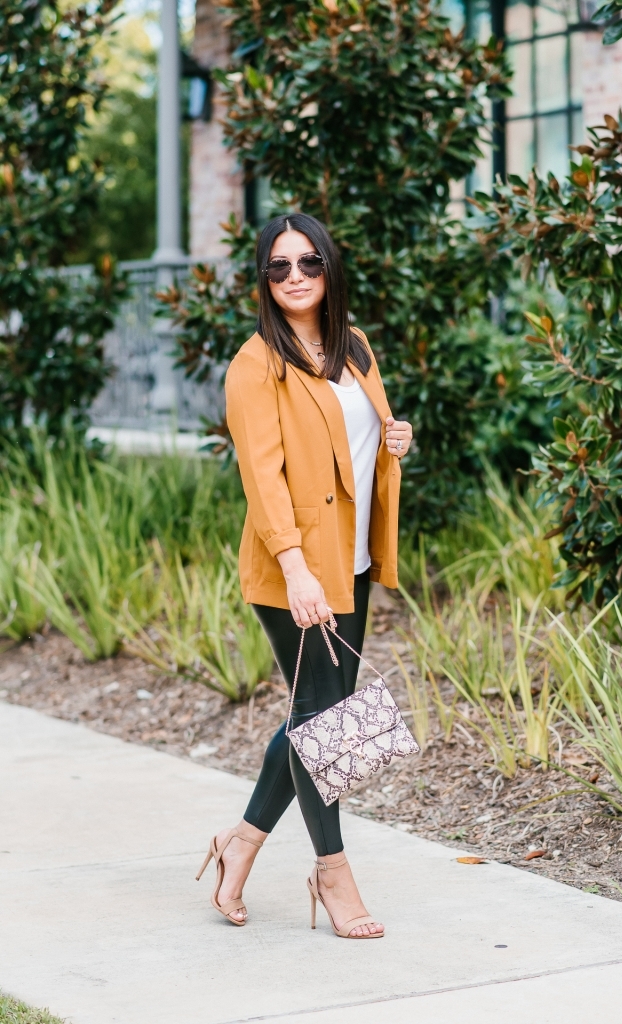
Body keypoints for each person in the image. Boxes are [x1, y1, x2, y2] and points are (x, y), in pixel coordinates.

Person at [196, 213, 412, 939]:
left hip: (350, 558)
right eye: (279, 267)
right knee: (325, 724)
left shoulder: (355, 346)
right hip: (295, 567)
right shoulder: (255, 365)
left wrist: (396, 438)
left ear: (329, 269)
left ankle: (239, 843)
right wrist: (295, 570)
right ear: (264, 280)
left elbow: (359, 437)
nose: (296, 277)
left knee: (320, 718)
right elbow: (262, 480)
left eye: (309, 263)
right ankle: (333, 872)